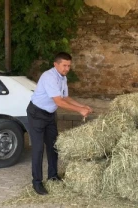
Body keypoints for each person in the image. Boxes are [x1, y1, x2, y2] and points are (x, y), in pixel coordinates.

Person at [26, 52, 92, 195]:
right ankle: (37, 182)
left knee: (53, 146)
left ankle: (53, 177)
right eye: (64, 65)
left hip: (49, 115)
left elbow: (65, 97)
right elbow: (59, 101)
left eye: (69, 66)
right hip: (36, 114)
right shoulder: (49, 77)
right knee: (38, 149)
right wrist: (79, 111)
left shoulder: (63, 77)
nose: (67, 68)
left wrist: (82, 106)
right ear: (55, 64)